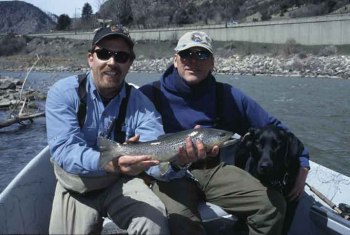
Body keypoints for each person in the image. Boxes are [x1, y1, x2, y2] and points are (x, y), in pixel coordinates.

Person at [140, 31, 310, 235]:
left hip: (214, 170)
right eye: (186, 55)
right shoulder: (148, 95)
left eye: (202, 55)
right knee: (181, 221)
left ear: (212, 62)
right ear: (175, 60)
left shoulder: (229, 95)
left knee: (272, 206)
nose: (193, 61)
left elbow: (276, 128)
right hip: (170, 175)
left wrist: (302, 163)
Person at [45, 25, 170, 234]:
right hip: (76, 185)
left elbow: (156, 156)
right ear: (90, 58)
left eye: (121, 56)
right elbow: (65, 151)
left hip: (120, 182)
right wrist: (110, 163)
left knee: (154, 221)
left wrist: (176, 162)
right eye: (104, 54)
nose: (112, 62)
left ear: (130, 63)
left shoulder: (142, 104)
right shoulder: (64, 93)